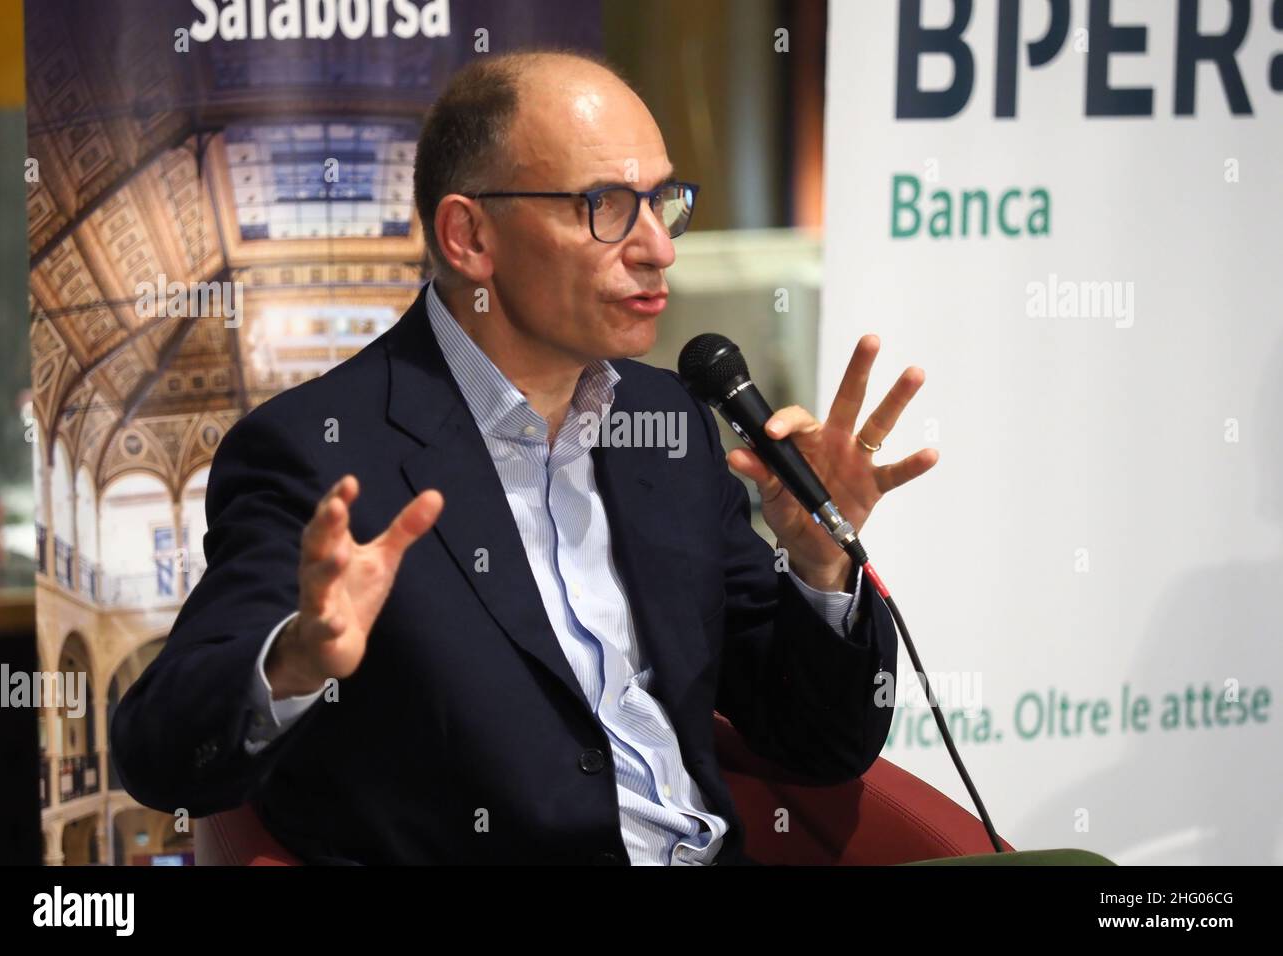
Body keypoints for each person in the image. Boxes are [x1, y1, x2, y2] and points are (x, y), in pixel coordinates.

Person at [111, 49, 938, 865]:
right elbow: (158, 750)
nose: (660, 247)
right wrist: (293, 660)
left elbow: (818, 742)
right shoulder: (317, 453)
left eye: (663, 202)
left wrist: (821, 565)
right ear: (469, 236)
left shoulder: (665, 422)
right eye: (608, 205)